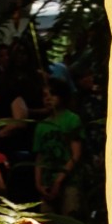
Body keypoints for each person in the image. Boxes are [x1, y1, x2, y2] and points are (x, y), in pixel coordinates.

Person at [34, 76, 84, 216]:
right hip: (47, 183)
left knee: (71, 218)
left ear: (62, 96)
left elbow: (76, 154)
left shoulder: (72, 119)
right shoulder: (41, 126)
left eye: (53, 94)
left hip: (69, 181)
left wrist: (59, 180)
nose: (48, 98)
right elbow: (40, 157)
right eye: (45, 95)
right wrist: (38, 184)